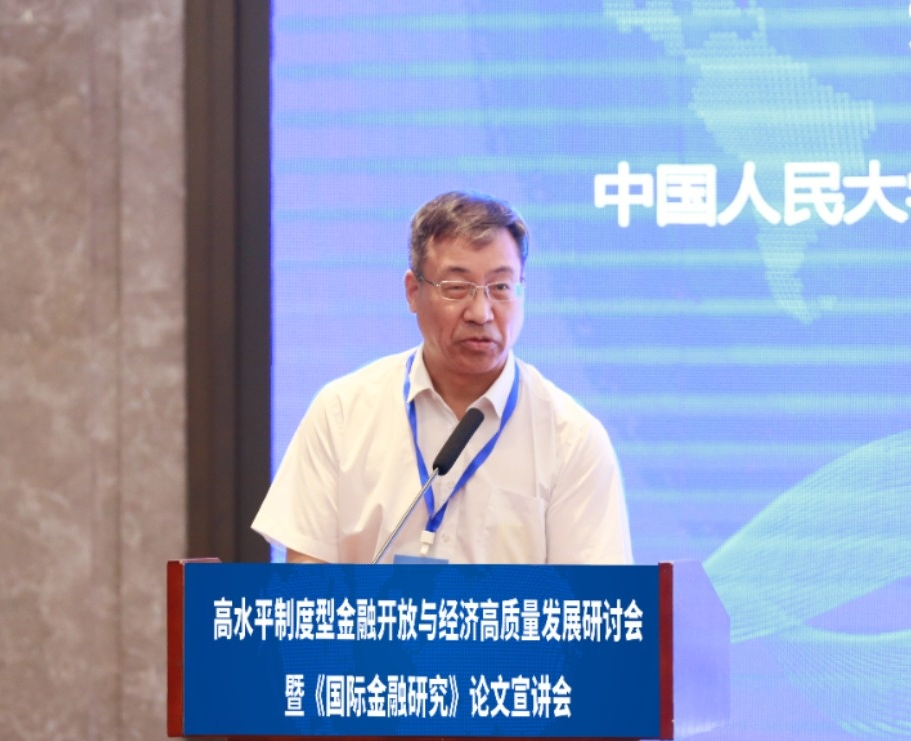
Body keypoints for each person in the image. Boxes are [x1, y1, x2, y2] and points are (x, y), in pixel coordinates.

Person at [252, 191, 632, 565]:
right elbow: (306, 579)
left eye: (501, 287)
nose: (481, 312)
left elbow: (591, 598)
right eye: (457, 288)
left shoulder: (571, 439)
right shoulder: (341, 413)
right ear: (413, 292)